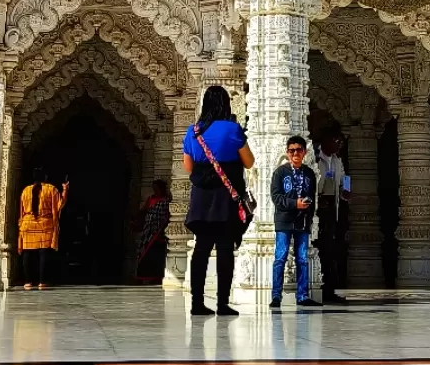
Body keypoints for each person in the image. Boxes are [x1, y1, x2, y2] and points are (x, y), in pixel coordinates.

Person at [182, 85, 254, 317]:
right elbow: (249, 162)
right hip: (225, 197)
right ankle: (223, 303)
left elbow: (188, 166)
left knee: (201, 249)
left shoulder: (193, 132)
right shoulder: (232, 129)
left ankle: (197, 302)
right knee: (225, 248)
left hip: (202, 198)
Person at [270, 136, 320, 310]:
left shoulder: (308, 174)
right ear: (287, 153)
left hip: (302, 222)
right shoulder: (280, 172)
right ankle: (276, 296)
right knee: (280, 257)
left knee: (302, 259)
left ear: (305, 152)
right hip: (284, 221)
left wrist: (309, 217)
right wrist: (294, 204)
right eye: (292, 151)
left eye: (299, 150)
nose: (295, 154)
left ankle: (303, 295)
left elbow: (312, 198)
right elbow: (276, 197)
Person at [18, 166, 69, 290]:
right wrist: (65, 190)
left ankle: (28, 282)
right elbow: (59, 206)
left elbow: (22, 210)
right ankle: (42, 282)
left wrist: (21, 223)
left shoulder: (26, 190)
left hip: (28, 224)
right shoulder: (51, 189)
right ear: (45, 177)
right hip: (45, 225)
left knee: (27, 254)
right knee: (43, 253)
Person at [314, 132, 349, 305]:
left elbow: (344, 177)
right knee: (319, 248)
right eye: (335, 140)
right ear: (325, 142)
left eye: (340, 142)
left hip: (332, 207)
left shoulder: (337, 160)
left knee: (331, 249)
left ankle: (330, 289)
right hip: (316, 208)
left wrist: (346, 189)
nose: (338, 145)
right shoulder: (314, 158)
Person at [134, 179, 170, 284]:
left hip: (159, 231)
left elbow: (166, 216)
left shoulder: (165, 201)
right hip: (148, 231)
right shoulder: (151, 199)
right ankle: (142, 276)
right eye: (153, 188)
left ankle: (155, 277)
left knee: (155, 255)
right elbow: (144, 210)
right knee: (144, 253)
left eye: (156, 188)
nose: (154, 190)